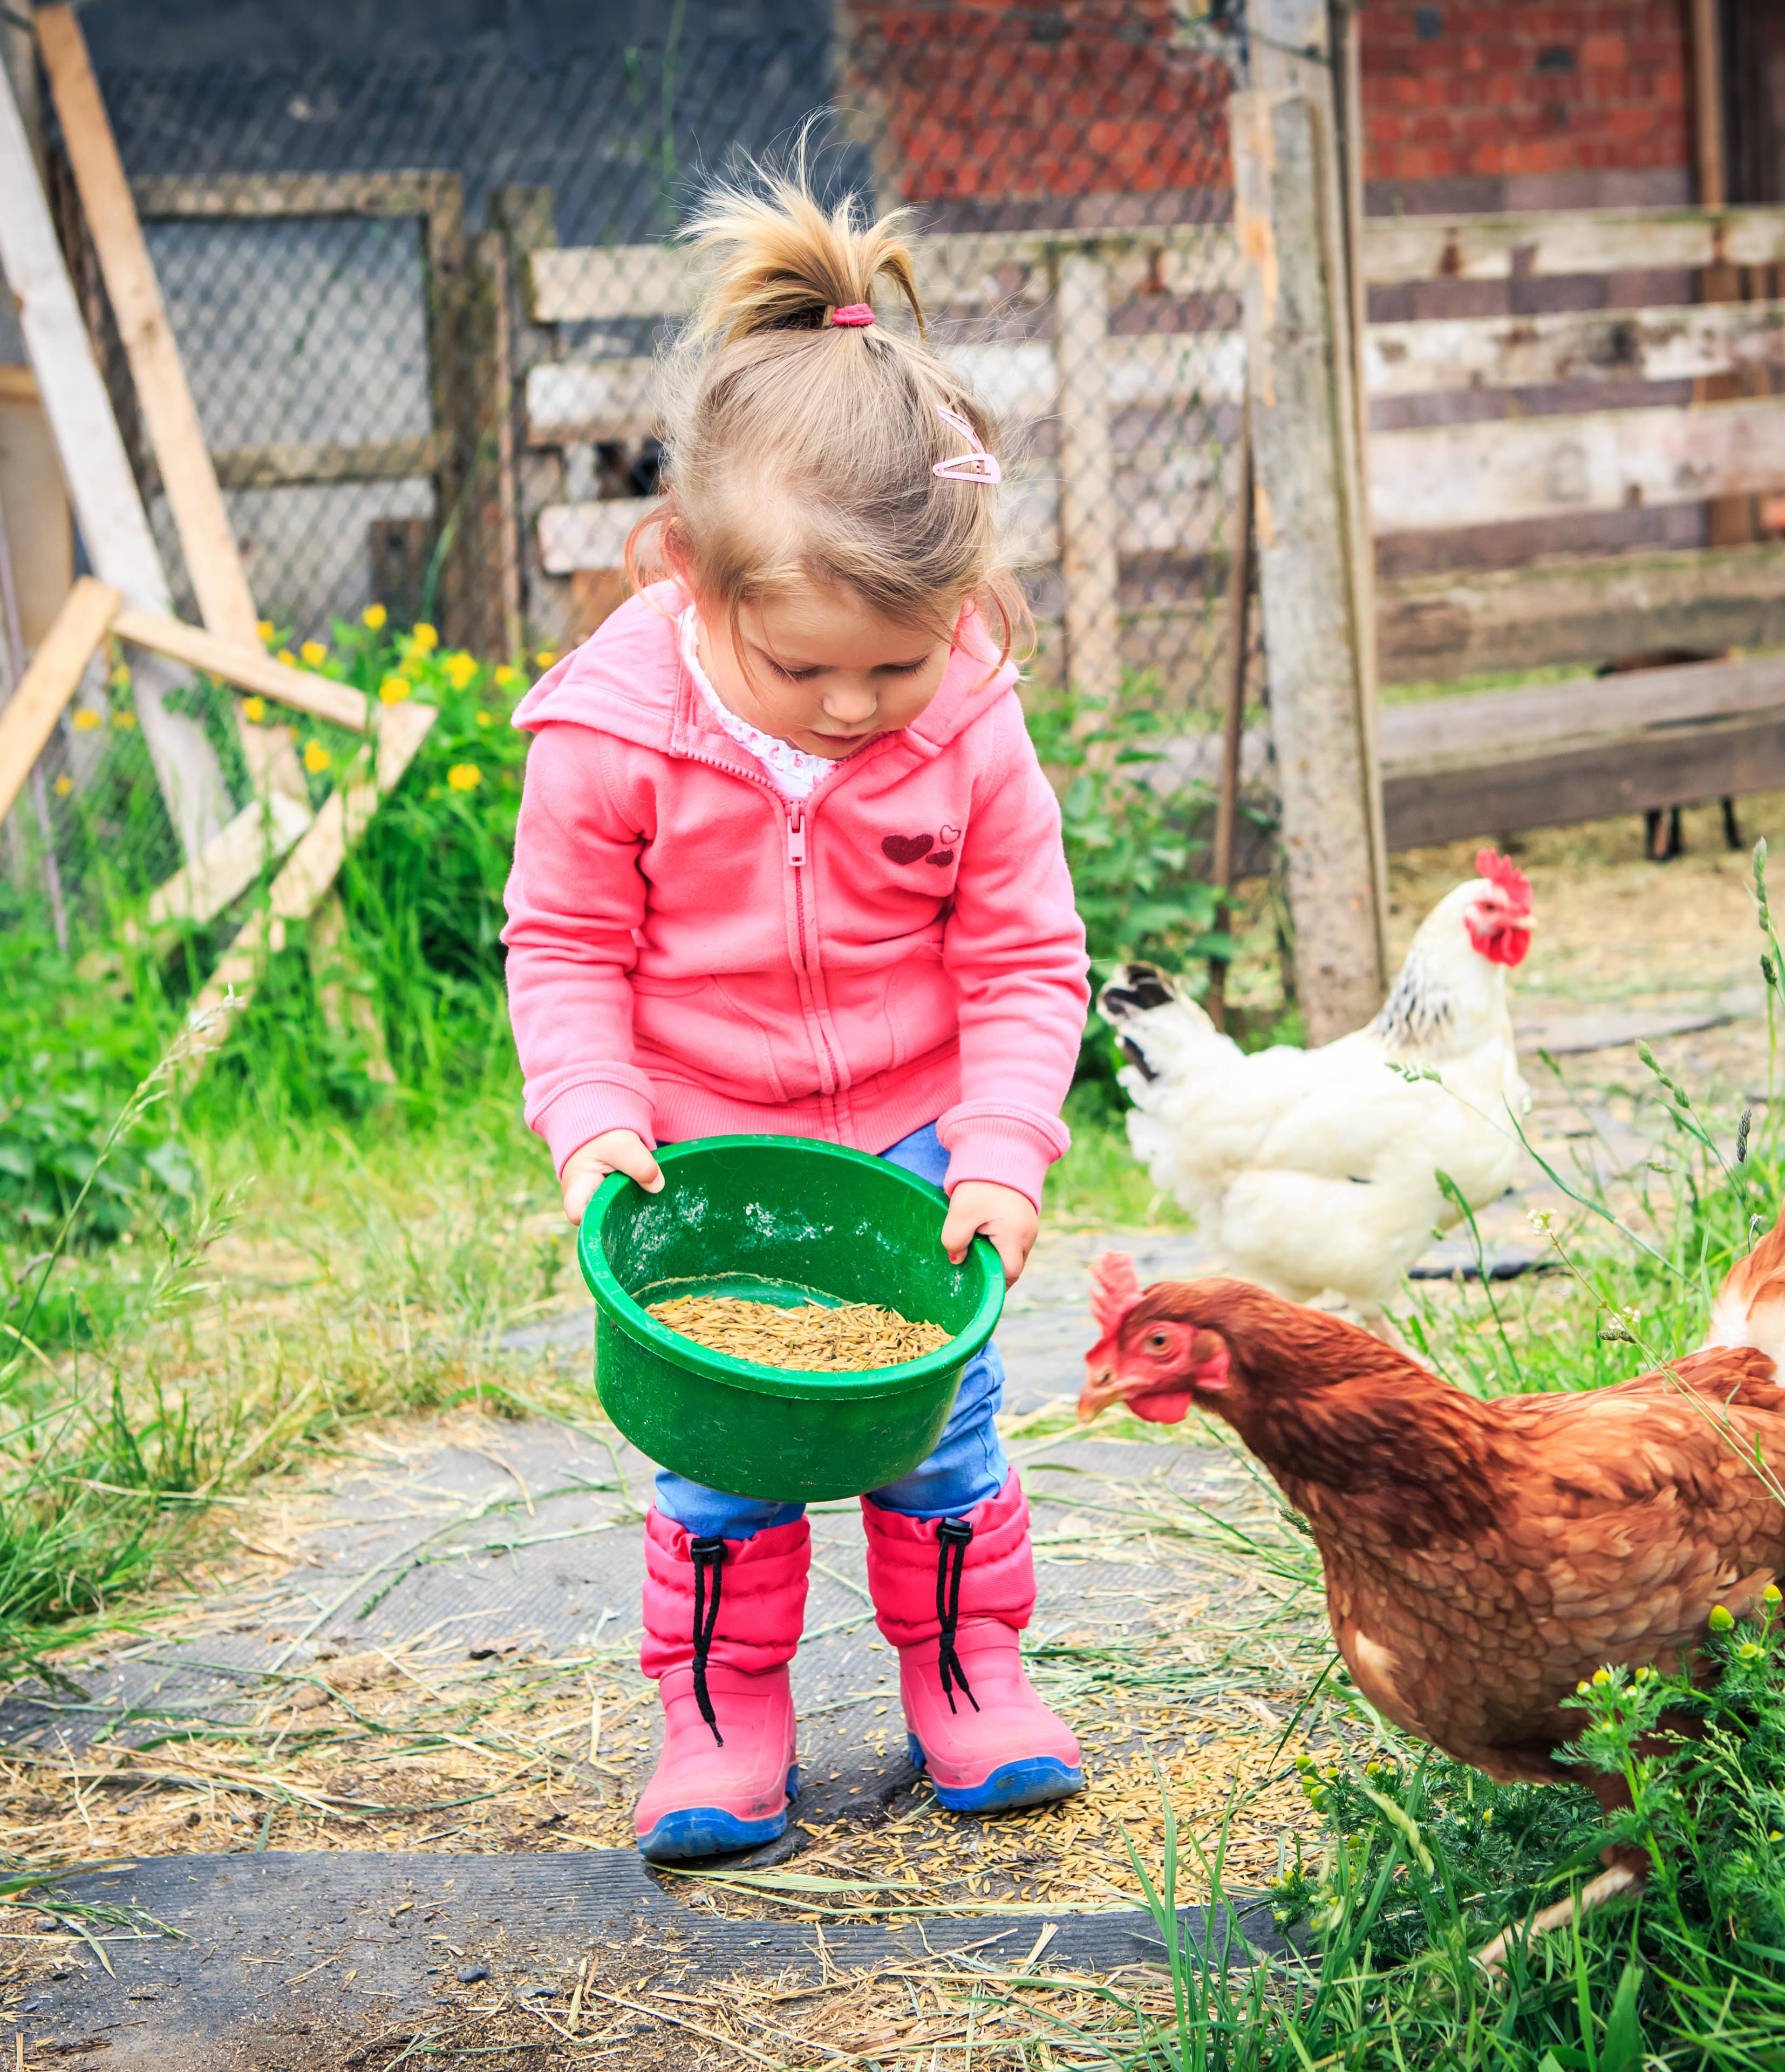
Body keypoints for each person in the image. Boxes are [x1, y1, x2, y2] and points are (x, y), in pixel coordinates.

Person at [500, 164, 1089, 1863]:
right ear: (685, 573)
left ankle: (969, 1680)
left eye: (894, 670)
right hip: (701, 1160)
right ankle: (719, 1717)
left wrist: (1000, 1149)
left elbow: (1021, 958)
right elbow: (563, 950)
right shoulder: (609, 736)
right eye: (805, 670)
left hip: (911, 1147)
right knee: (722, 1464)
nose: (853, 710)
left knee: (942, 1436)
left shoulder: (970, 722)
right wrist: (598, 1118)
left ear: (959, 614)